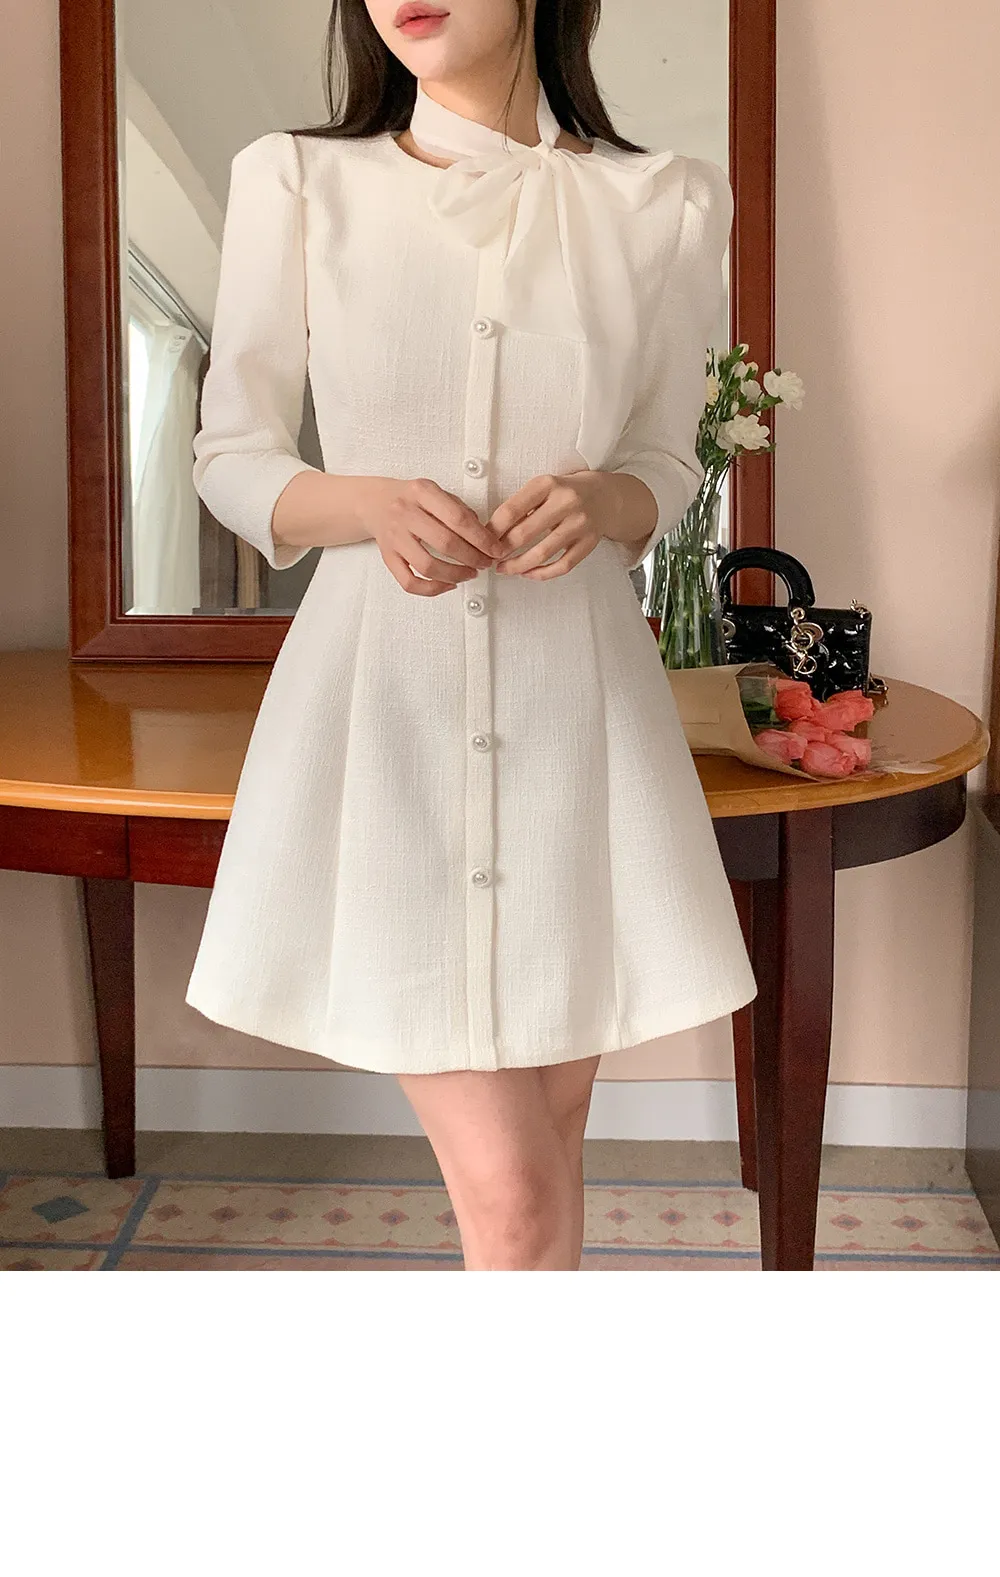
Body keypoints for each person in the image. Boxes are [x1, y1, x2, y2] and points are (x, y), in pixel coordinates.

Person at [185, 0, 758, 1271]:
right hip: (382, 715)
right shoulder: (297, 182)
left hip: (577, 722)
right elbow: (230, 455)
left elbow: (663, 457)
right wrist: (366, 503)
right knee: (515, 1193)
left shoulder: (666, 201)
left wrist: (608, 501)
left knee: (549, 1153)